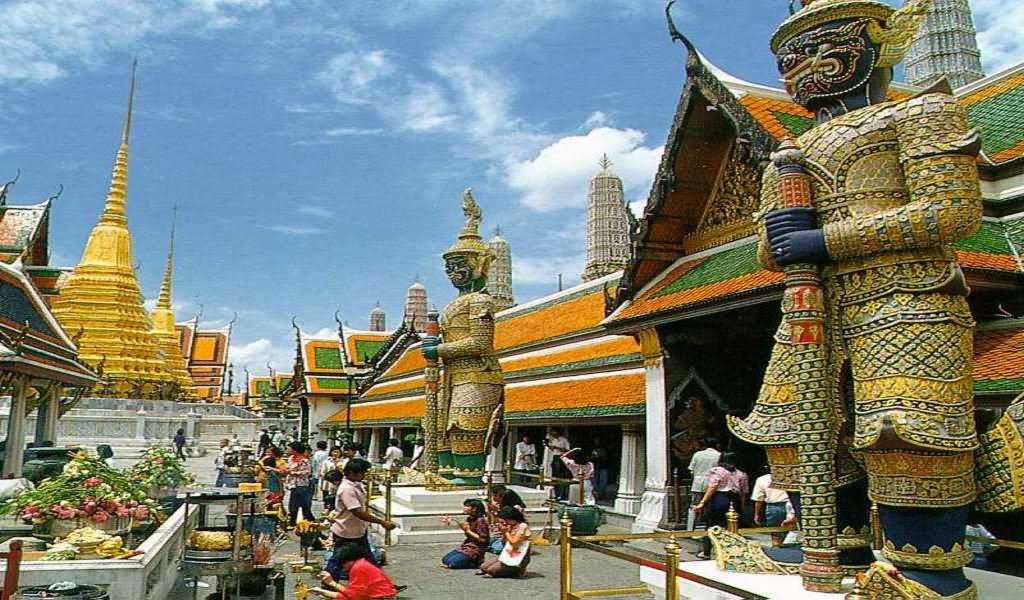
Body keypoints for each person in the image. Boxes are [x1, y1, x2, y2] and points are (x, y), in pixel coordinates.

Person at [329, 458, 396, 566]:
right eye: (362, 473)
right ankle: (329, 579)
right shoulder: (347, 489)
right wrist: (382, 522)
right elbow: (357, 512)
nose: (364, 475)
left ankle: (378, 581)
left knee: (368, 561)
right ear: (351, 473)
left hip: (357, 530)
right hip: (346, 531)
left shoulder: (356, 484)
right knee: (338, 561)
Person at [692, 452, 748, 559]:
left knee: (712, 525)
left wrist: (702, 502)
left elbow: (712, 487)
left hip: (719, 498)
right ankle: (731, 551)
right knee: (732, 526)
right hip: (734, 499)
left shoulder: (718, 471)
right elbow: (743, 492)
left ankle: (706, 551)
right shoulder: (741, 474)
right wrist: (742, 506)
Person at [312, 545, 398, 600]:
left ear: (349, 561)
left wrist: (332, 583)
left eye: (343, 564)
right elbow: (351, 595)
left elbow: (353, 596)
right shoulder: (362, 564)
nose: (343, 568)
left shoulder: (358, 568)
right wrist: (322, 590)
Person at [478, 506, 531, 578]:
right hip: (508, 554)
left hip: (519, 556)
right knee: (483, 567)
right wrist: (503, 533)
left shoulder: (522, 526)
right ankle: (502, 570)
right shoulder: (510, 526)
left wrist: (506, 532)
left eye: (505, 520)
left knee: (491, 570)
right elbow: (504, 544)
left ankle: (520, 570)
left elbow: (514, 543)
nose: (505, 522)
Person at [440, 499, 489, 569]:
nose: (464, 508)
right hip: (467, 546)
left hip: (475, 549)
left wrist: (468, 531)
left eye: (467, 506)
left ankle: (476, 562)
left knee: (453, 563)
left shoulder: (480, 521)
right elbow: (468, 534)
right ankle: (467, 560)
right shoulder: (469, 519)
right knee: (445, 560)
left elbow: (483, 540)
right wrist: (464, 529)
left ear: (474, 509)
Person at [751, 467, 789, 546]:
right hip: (790, 505)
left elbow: (759, 499)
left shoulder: (762, 479)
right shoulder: (789, 476)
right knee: (792, 533)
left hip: (774, 508)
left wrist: (756, 514)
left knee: (776, 536)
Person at [280, 441, 314, 527]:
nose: (287, 450)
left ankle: (305, 521)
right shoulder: (291, 458)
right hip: (292, 485)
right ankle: (295, 521)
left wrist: (293, 472)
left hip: (301, 485)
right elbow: (287, 467)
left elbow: (307, 472)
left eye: (289, 448)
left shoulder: (304, 460)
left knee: (300, 504)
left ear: (295, 450)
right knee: (294, 504)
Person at [486, 486, 526, 554]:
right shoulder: (501, 507)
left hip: (511, 535)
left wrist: (496, 514)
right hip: (499, 535)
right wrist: (491, 512)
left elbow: (507, 522)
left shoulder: (516, 508)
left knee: (497, 549)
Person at [687, 437, 720, 505]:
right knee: (710, 506)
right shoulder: (719, 455)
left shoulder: (697, 454)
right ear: (717, 445)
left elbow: (691, 469)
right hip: (712, 485)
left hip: (697, 484)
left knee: (695, 505)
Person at [543, 428, 571, 499]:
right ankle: (556, 493)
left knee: (561, 476)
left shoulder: (564, 440)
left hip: (562, 457)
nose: (553, 434)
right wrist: (548, 445)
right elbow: (551, 449)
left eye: (553, 433)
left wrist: (557, 447)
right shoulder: (553, 440)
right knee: (554, 476)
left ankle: (562, 494)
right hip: (554, 457)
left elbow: (568, 450)